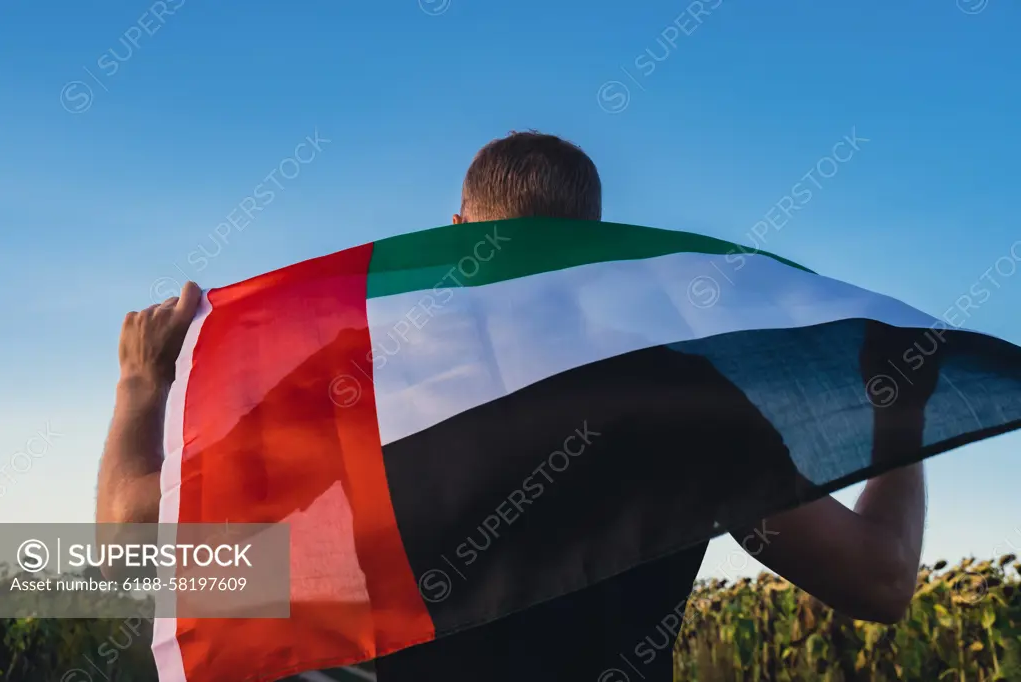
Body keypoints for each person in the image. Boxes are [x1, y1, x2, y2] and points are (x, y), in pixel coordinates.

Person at [99, 131, 927, 681]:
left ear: (456, 232)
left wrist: (141, 387)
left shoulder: (345, 388)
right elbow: (881, 580)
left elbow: (116, 562)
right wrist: (902, 412)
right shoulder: (687, 402)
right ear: (594, 247)